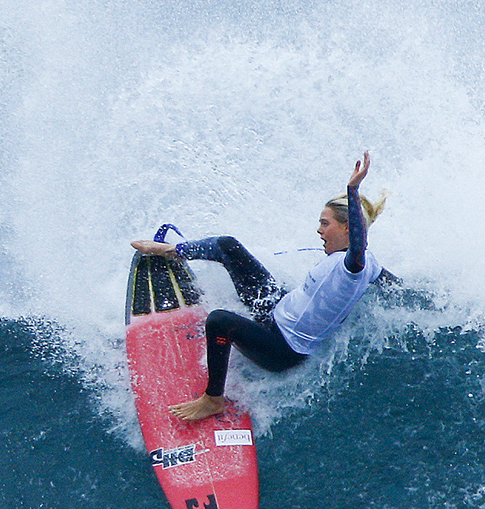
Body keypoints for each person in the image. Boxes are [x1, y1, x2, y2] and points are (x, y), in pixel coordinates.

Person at [132, 151, 386, 422]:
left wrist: (353, 189)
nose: (319, 231)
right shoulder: (369, 266)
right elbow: (388, 281)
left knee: (219, 321)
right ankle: (173, 250)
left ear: (348, 228)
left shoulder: (352, 267)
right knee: (227, 246)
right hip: (276, 307)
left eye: (325, 224)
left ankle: (212, 399)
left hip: (282, 348)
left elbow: (360, 246)